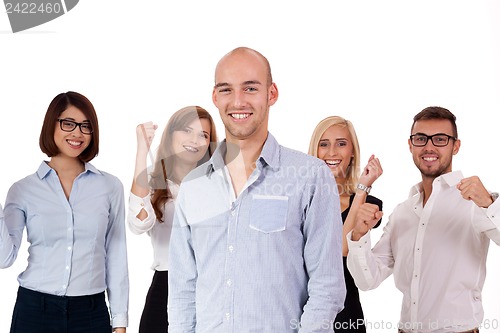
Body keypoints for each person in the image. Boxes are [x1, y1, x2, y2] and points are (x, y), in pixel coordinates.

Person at [167, 47, 346, 333]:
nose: (238, 101)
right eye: (226, 90)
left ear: (271, 94)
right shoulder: (194, 186)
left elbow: (327, 287)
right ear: (215, 97)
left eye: (250, 88)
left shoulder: (310, 177)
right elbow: (182, 291)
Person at [347, 106, 500, 333]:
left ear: (455, 146)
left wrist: (489, 203)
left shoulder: (475, 201)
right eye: (421, 139)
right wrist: (359, 235)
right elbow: (367, 280)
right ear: (410, 145)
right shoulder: (402, 213)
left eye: (440, 139)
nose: (429, 147)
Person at [0, 91, 129, 333]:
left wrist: (120, 321)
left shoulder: (110, 187)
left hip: (91, 312)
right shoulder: (22, 190)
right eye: (68, 123)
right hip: (34, 310)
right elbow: (4, 258)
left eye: (85, 126)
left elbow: (116, 253)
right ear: (52, 125)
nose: (77, 133)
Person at [127, 106, 217, 333]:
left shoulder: (215, 184)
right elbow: (138, 224)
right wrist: (142, 150)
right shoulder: (152, 180)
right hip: (166, 286)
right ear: (171, 135)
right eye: (187, 131)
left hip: (209, 287)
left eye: (203, 135)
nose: (194, 140)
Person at [308, 116, 383, 333]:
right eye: (324, 144)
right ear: (315, 150)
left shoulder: (368, 205)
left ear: (352, 152)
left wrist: (361, 190)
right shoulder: (300, 202)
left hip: (346, 318)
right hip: (303, 313)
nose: (332, 152)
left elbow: (340, 249)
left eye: (341, 144)